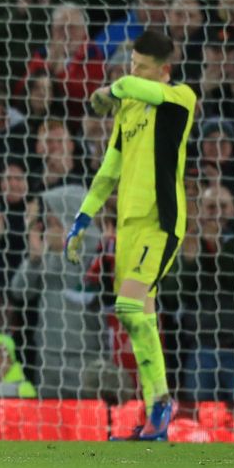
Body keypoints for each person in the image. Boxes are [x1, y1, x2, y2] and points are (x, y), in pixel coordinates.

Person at [64, 30, 196, 441]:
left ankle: (161, 403)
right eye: (131, 65)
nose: (133, 72)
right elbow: (109, 169)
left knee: (128, 306)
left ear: (164, 70)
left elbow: (131, 88)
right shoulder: (129, 107)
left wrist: (111, 89)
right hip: (127, 227)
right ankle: (157, 412)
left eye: (142, 67)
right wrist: (83, 218)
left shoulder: (180, 99)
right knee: (138, 318)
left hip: (161, 222)